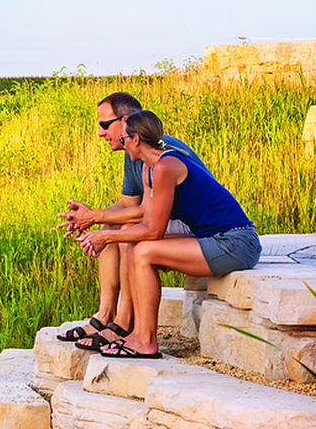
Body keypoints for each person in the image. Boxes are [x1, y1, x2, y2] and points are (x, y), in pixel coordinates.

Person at [76, 110, 260, 359]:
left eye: (124, 140)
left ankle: (146, 341)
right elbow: (144, 215)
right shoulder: (149, 168)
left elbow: (154, 230)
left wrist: (106, 237)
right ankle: (137, 332)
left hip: (235, 241)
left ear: (136, 140)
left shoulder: (166, 165)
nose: (122, 145)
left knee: (143, 251)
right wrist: (106, 230)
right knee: (133, 247)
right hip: (210, 237)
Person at [54, 92, 208, 353]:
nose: (100, 133)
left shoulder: (158, 153)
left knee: (127, 232)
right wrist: (90, 217)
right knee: (111, 226)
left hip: (194, 227)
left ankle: (124, 322)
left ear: (126, 122)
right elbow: (129, 206)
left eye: (105, 124)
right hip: (165, 221)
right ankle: (105, 315)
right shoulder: (134, 152)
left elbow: (146, 215)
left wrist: (96, 217)